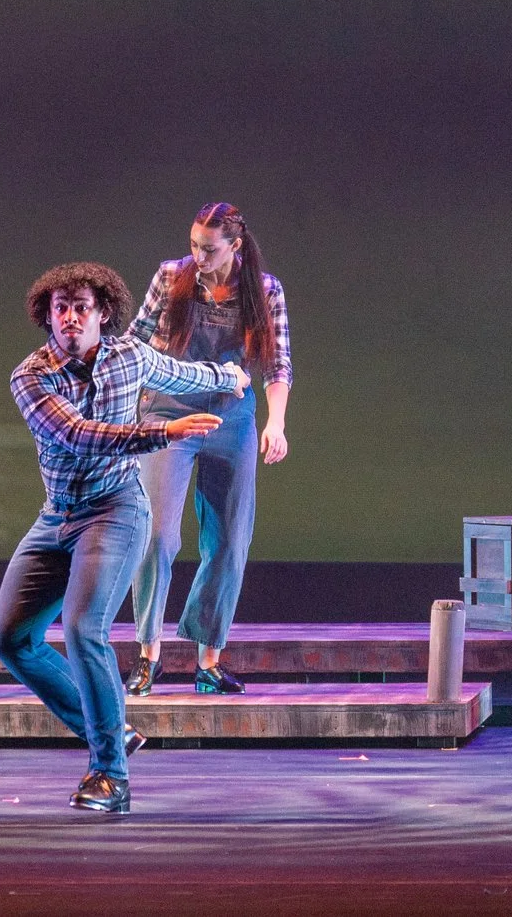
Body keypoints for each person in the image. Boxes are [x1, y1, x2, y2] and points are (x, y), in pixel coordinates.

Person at [0, 262, 247, 815]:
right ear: (48, 316)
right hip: (57, 517)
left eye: (81, 306)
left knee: (85, 627)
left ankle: (111, 776)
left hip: (116, 510)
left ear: (103, 312)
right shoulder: (30, 377)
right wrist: (164, 431)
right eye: (60, 308)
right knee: (10, 638)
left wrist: (231, 379)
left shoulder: (131, 356)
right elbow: (79, 437)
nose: (70, 318)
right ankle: (109, 727)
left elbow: (187, 377)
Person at [125, 201, 292, 695]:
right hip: (168, 412)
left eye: (210, 248)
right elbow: (135, 339)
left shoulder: (264, 290)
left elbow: (278, 363)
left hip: (230, 416)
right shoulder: (171, 276)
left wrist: (277, 423)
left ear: (235, 245)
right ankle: (148, 653)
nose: (198, 255)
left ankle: (209, 659)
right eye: (194, 244)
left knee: (228, 539)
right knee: (157, 535)